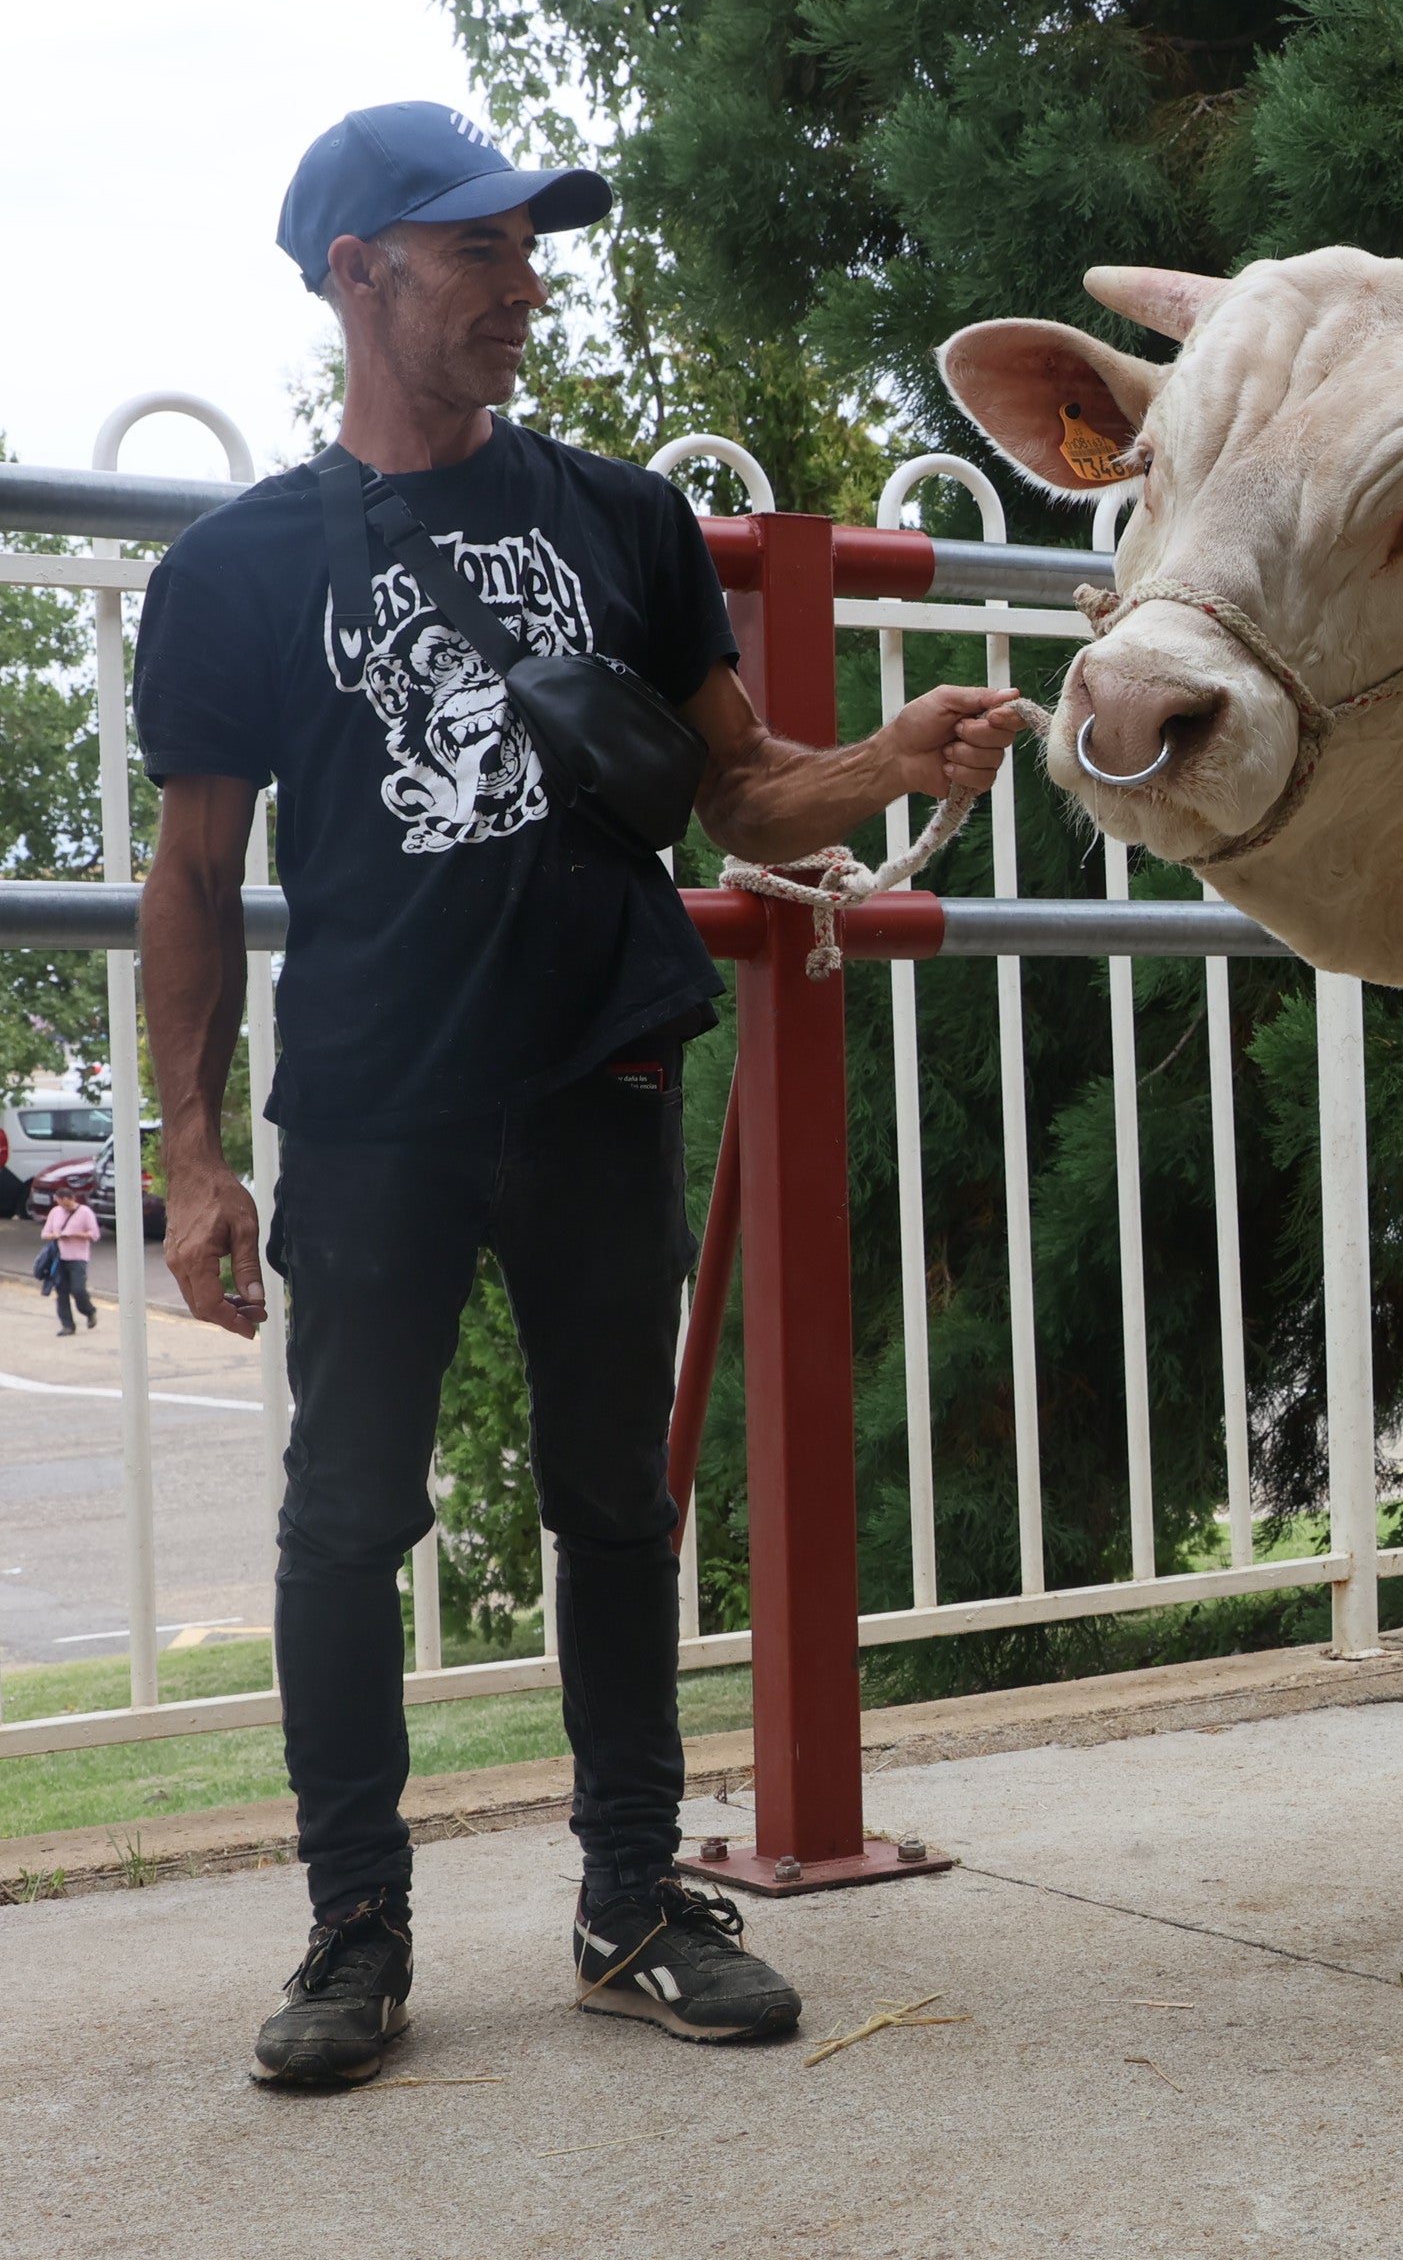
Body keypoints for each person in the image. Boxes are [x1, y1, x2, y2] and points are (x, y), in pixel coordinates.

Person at [134, 102, 1031, 2088]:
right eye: (479, 251)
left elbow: (743, 791)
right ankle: (353, 1931)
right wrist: (190, 1157)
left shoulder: (616, 520)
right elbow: (191, 878)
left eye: (532, 248)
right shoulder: (243, 569)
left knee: (616, 1501)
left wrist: (890, 757)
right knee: (344, 1518)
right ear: (359, 272)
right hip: (371, 1101)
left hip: (596, 1069)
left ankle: (635, 1900)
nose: (524, 284)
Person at [40, 1185, 97, 1335]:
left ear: (72, 1199)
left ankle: (89, 1311)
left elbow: (94, 1234)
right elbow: (45, 1233)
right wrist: (56, 1235)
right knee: (62, 1292)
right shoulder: (55, 1212)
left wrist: (74, 1234)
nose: (64, 1208)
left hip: (78, 1257)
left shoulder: (85, 1212)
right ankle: (67, 1325)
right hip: (59, 1258)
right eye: (60, 1204)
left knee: (78, 1289)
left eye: (66, 1204)